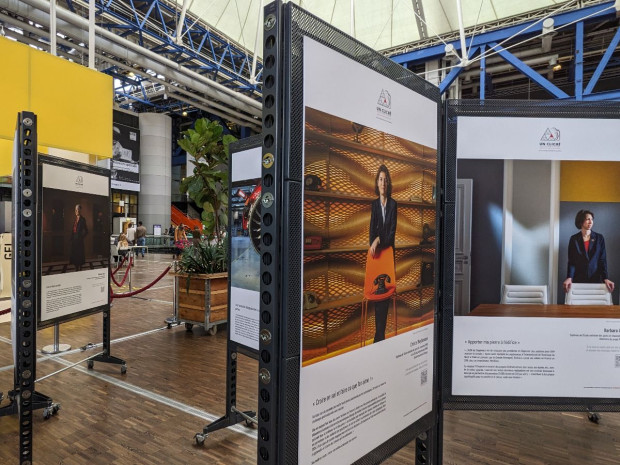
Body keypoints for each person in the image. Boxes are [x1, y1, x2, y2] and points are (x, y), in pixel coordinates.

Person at [368, 164, 397, 343]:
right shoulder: (374, 205)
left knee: (385, 295)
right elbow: (371, 232)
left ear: (388, 183)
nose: (383, 182)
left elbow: (392, 234)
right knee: (377, 295)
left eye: (385, 180)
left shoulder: (394, 204)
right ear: (377, 183)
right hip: (377, 257)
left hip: (388, 256)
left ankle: (380, 335)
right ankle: (379, 336)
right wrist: (376, 239)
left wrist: (379, 240)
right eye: (380, 179)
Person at [563, 209, 614, 294]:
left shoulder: (599, 238)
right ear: (581, 221)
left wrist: (605, 278)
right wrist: (569, 277)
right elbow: (571, 261)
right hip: (578, 279)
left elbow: (602, 260)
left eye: (592, 219)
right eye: (587, 219)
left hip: (596, 279)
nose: (590, 222)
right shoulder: (574, 239)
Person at [69, 204, 88, 272]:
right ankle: (76, 267)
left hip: (79, 240)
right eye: (75, 210)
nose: (76, 211)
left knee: (79, 254)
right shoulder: (75, 219)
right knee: (75, 254)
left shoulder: (83, 219)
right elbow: (73, 229)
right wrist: (71, 238)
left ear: (80, 210)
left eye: (77, 210)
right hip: (74, 239)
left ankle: (79, 267)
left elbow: (86, 231)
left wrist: (81, 237)